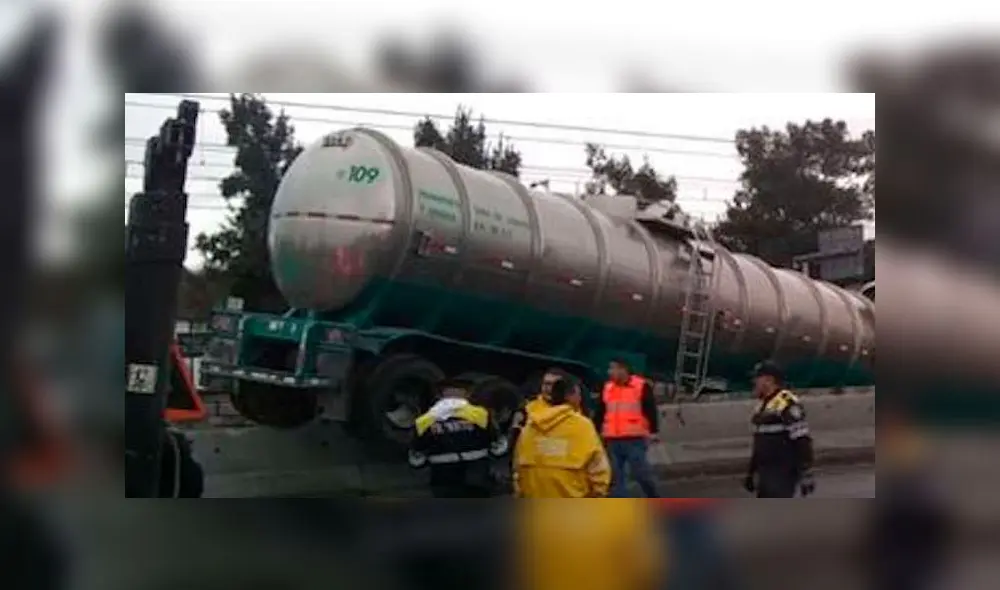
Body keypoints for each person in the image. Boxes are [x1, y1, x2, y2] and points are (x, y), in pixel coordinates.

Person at [513, 376, 611, 498]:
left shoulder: (530, 426)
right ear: (570, 396)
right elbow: (598, 469)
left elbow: (517, 468)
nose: (580, 398)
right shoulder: (582, 426)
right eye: (578, 394)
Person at [408, 378, 509, 497]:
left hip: (442, 479)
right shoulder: (481, 415)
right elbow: (499, 449)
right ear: (466, 394)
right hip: (476, 477)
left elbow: (416, 460)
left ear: (440, 395)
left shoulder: (423, 421)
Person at [743, 361, 816, 498]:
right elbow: (759, 444)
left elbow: (802, 440)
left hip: (783, 473)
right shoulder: (762, 406)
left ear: (769, 380)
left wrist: (807, 472)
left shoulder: (787, 403)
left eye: (757, 378)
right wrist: (751, 472)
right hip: (766, 474)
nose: (753, 382)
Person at [593, 358, 661, 498]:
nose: (609, 372)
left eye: (613, 368)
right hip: (612, 439)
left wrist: (654, 431)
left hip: (634, 439)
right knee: (616, 479)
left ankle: (653, 496)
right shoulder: (607, 388)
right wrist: (595, 431)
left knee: (641, 474)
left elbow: (650, 409)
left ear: (623, 369)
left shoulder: (640, 386)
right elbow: (600, 412)